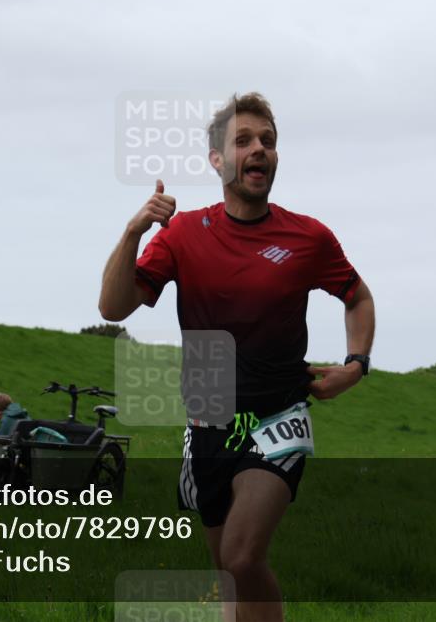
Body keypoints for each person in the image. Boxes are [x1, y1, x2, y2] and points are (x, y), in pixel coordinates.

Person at [98, 93, 376, 622]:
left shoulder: (308, 237)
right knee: (229, 576)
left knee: (243, 556)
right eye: (244, 141)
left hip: (278, 415)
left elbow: (357, 297)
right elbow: (113, 306)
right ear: (218, 160)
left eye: (268, 142)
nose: (259, 150)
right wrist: (134, 231)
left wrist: (355, 364)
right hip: (206, 415)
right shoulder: (181, 233)